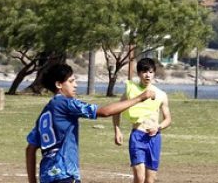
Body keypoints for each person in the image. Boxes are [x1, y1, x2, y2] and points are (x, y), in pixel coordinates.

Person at [25, 63, 156, 183]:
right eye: (71, 81)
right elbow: (105, 112)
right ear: (59, 85)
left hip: (47, 176)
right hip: (64, 174)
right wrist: (140, 98)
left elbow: (30, 149)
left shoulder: (45, 112)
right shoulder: (65, 103)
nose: (75, 85)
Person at [113, 58, 172, 183]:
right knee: (139, 178)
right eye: (144, 72)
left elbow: (168, 119)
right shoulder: (131, 92)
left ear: (154, 73)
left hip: (154, 138)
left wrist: (158, 127)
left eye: (150, 72)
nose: (147, 75)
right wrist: (117, 130)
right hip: (137, 136)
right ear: (139, 74)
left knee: (150, 180)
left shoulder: (161, 94)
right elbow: (116, 110)